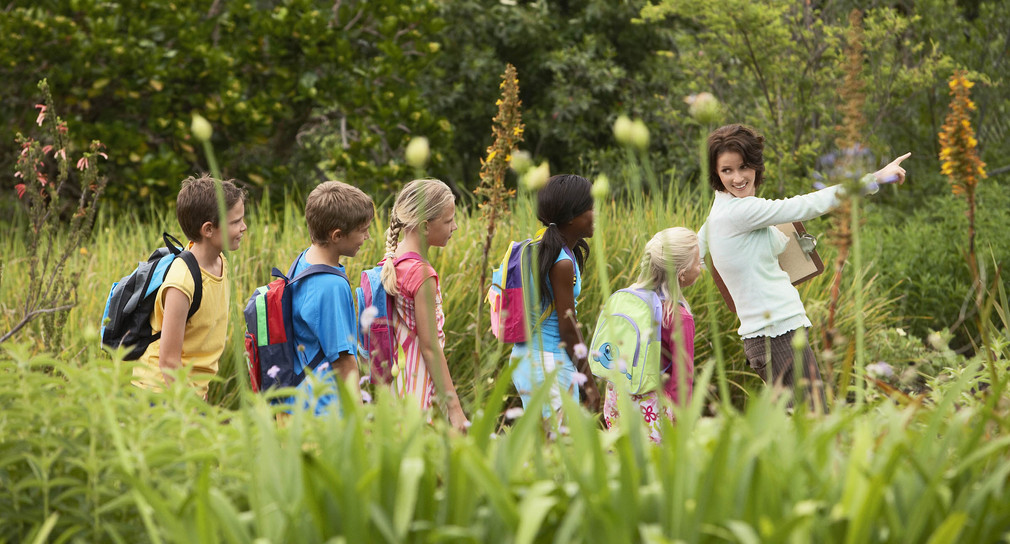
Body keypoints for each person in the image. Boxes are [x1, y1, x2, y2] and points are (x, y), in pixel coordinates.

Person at [698, 124, 909, 411]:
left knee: (805, 429)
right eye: (727, 171)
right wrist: (875, 178)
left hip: (776, 334)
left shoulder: (721, 211)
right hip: (776, 336)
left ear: (756, 166)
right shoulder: (739, 212)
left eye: (744, 167)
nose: (737, 178)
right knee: (814, 424)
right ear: (716, 174)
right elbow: (808, 204)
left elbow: (693, 251)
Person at [132, 174, 247, 399]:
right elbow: (168, 361)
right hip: (160, 393)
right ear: (208, 229)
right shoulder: (181, 282)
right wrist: (191, 409)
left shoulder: (219, 261)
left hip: (190, 390)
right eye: (235, 222)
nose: (243, 227)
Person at [511, 174, 602, 423]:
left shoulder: (538, 247)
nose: (597, 213)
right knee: (560, 448)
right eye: (591, 207)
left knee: (545, 445)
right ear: (572, 217)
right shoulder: (561, 262)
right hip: (548, 362)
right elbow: (568, 330)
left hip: (525, 358)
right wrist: (590, 385)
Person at [380, 178, 469, 431]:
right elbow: (430, 348)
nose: (455, 226)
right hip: (420, 388)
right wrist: (455, 409)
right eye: (448, 220)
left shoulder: (392, 264)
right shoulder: (421, 274)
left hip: (397, 383)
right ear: (425, 226)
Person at [601, 227, 701, 443]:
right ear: (682, 274)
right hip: (652, 409)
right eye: (698, 262)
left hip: (618, 397)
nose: (701, 267)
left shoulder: (630, 299)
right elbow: (682, 379)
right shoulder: (678, 317)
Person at [287, 180, 374, 414]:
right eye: (363, 230)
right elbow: (344, 362)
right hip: (324, 410)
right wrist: (358, 423)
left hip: (298, 400)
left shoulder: (304, 260)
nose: (367, 237)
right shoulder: (330, 285)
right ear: (337, 235)